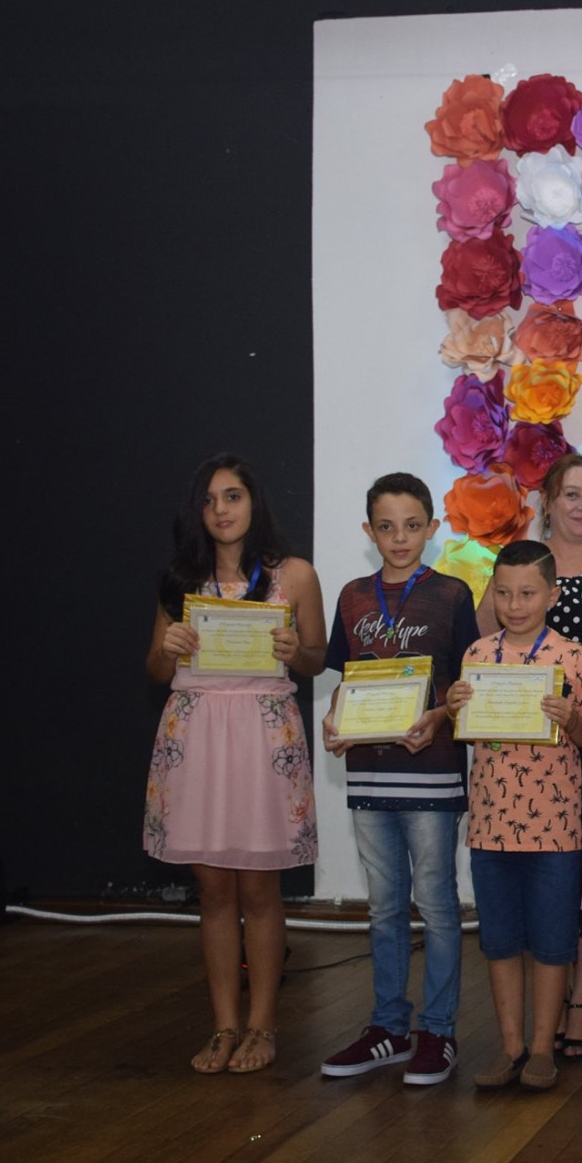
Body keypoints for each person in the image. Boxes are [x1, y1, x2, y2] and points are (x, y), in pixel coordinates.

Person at [144, 453, 326, 1074]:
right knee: (214, 889)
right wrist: (168, 650)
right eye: (209, 499)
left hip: (262, 734)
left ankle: (262, 1026)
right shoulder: (180, 579)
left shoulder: (293, 575)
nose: (221, 510)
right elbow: (154, 668)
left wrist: (295, 650)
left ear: (254, 502)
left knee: (260, 887)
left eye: (232, 496)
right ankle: (224, 1026)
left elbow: (317, 658)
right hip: (197, 733)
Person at [316, 473, 480, 1087]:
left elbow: (464, 686)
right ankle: (388, 1027)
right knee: (384, 907)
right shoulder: (353, 596)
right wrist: (334, 719)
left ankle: (438, 1031)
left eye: (412, 526)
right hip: (369, 772)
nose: (400, 537)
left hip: (432, 774)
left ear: (432, 528)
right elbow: (347, 679)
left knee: (435, 903)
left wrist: (437, 717)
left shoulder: (452, 594)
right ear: (369, 532)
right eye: (386, 527)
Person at [480, 454, 582, 1062]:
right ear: (548, 501)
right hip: (516, 757)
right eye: (572, 494)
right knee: (541, 888)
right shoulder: (518, 565)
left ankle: (580, 1001)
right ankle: (538, 1019)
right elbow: (482, 650)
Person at [450, 541, 582, 1092]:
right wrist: (454, 707)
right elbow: (466, 732)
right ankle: (510, 1045)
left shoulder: (574, 658)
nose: (515, 605)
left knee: (553, 941)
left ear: (552, 596)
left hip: (555, 827)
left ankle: (541, 1048)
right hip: (490, 824)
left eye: (528, 594)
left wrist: (572, 720)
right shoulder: (476, 654)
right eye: (504, 593)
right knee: (499, 940)